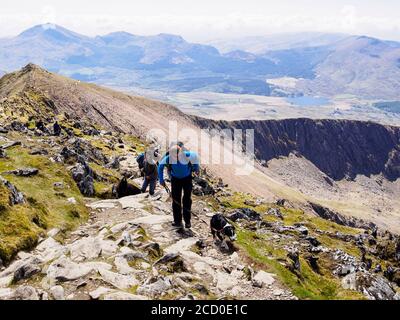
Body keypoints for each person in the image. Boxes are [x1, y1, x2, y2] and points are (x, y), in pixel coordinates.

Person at [158, 145, 199, 229]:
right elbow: (160, 167)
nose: (176, 159)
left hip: (187, 179)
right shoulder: (169, 158)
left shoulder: (187, 155)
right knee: (176, 200)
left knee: (187, 199)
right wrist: (161, 180)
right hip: (175, 180)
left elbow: (195, 157)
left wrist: (196, 168)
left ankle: (187, 221)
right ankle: (177, 221)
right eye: (174, 157)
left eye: (178, 156)